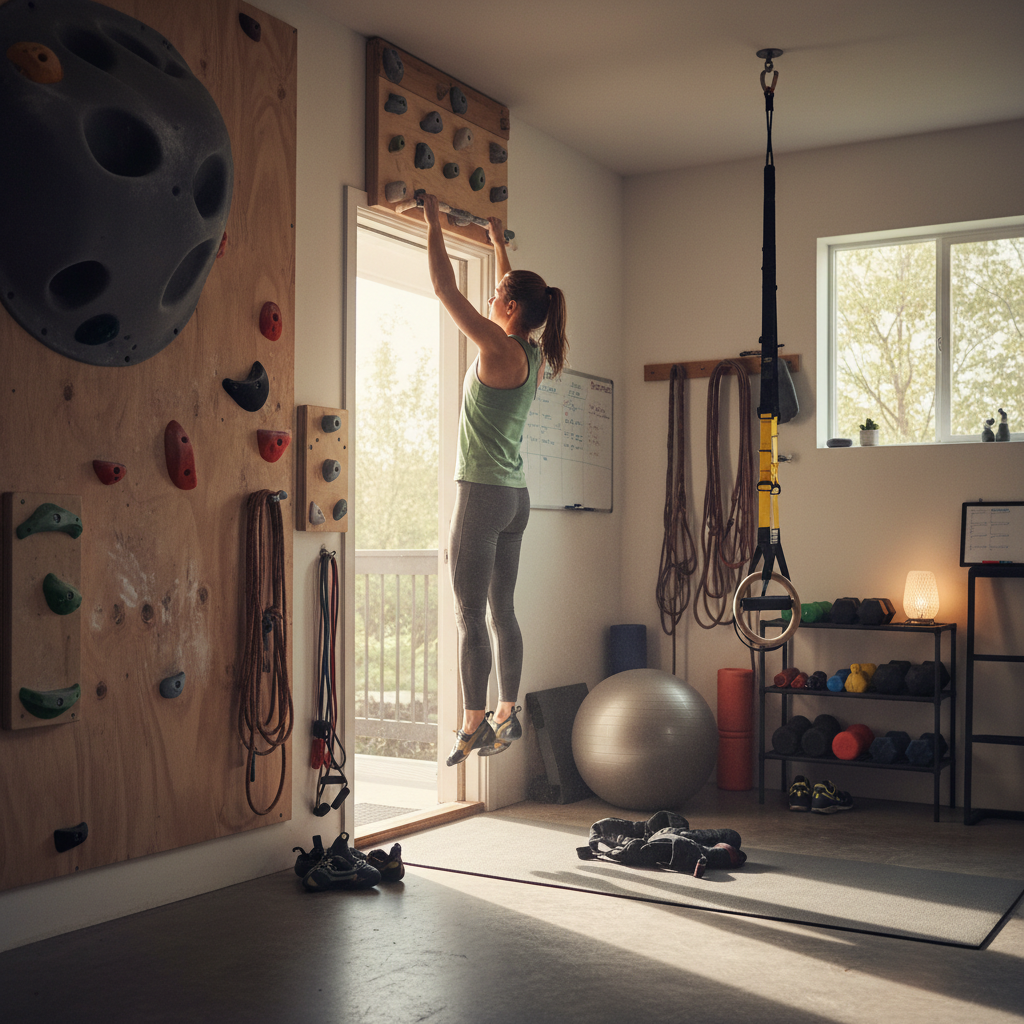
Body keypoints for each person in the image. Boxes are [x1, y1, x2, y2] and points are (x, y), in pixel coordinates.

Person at [421, 193, 569, 767]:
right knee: (502, 611)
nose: (490, 294)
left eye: (497, 293)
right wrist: (497, 244)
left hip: (482, 497)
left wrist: (434, 223)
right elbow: (512, 292)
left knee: (469, 616)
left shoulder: (496, 346)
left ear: (507, 306)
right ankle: (507, 712)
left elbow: (445, 289)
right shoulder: (529, 352)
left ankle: (472, 723)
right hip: (516, 498)